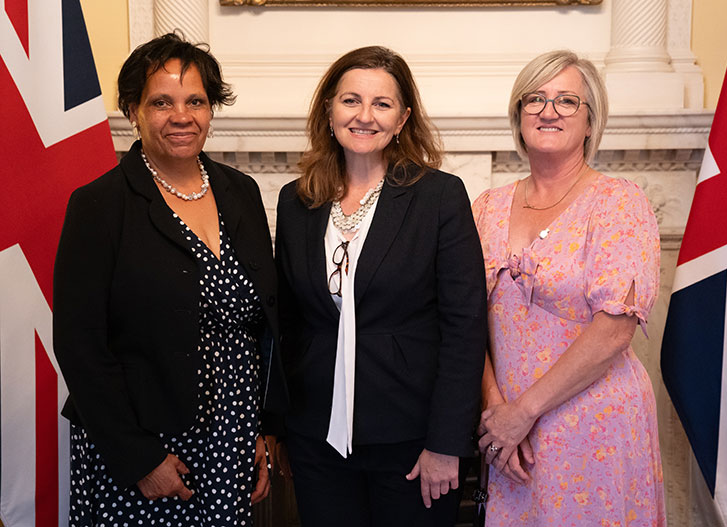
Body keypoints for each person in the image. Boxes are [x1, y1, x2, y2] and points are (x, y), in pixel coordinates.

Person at [53, 32, 287, 527]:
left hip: (233, 436)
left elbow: (262, 325)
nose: (181, 116)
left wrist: (265, 430)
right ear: (133, 110)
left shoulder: (240, 191)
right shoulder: (100, 205)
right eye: (162, 102)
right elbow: (79, 347)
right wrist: (139, 458)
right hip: (145, 447)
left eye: (195, 101)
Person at [275, 45, 487, 527]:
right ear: (329, 110)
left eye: (382, 104)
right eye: (350, 100)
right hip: (316, 440)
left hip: (412, 444)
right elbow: (287, 322)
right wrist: (284, 430)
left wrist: (447, 444)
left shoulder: (439, 196)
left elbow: (464, 328)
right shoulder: (296, 201)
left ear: (403, 118)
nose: (364, 116)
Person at [472, 50, 666, 525]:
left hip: (594, 424)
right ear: (518, 116)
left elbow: (614, 332)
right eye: (534, 99)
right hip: (508, 436)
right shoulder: (485, 207)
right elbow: (464, 320)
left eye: (566, 101)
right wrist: (497, 411)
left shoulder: (618, 202)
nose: (548, 110)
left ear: (589, 121)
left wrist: (524, 412)